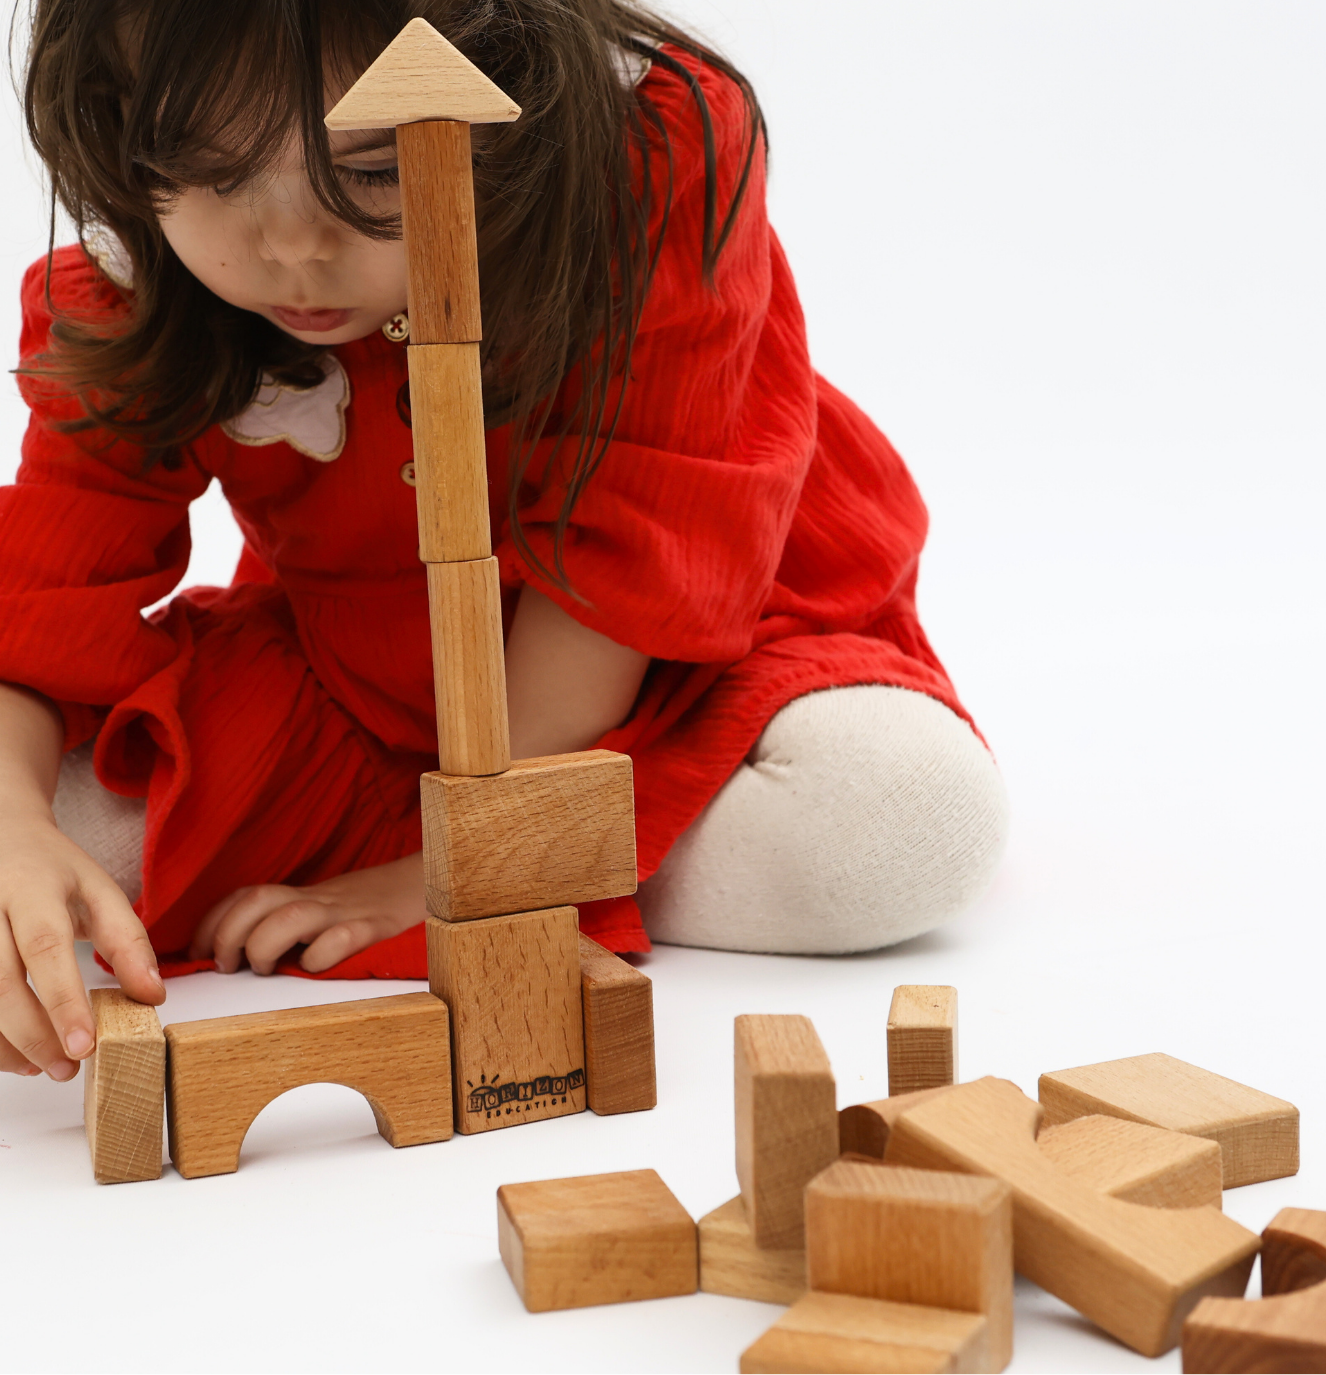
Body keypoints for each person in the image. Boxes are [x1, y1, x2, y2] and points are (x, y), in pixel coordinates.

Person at [0, 0, 1007, 1084]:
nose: (291, 247)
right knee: (46, 831)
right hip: (364, 683)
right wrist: (11, 820)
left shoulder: (642, 167)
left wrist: (462, 866)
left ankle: (543, 859)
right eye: (212, 173)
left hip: (670, 657)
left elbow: (639, 560)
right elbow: (53, 596)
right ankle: (530, 857)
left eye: (373, 171)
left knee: (902, 813)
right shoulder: (129, 284)